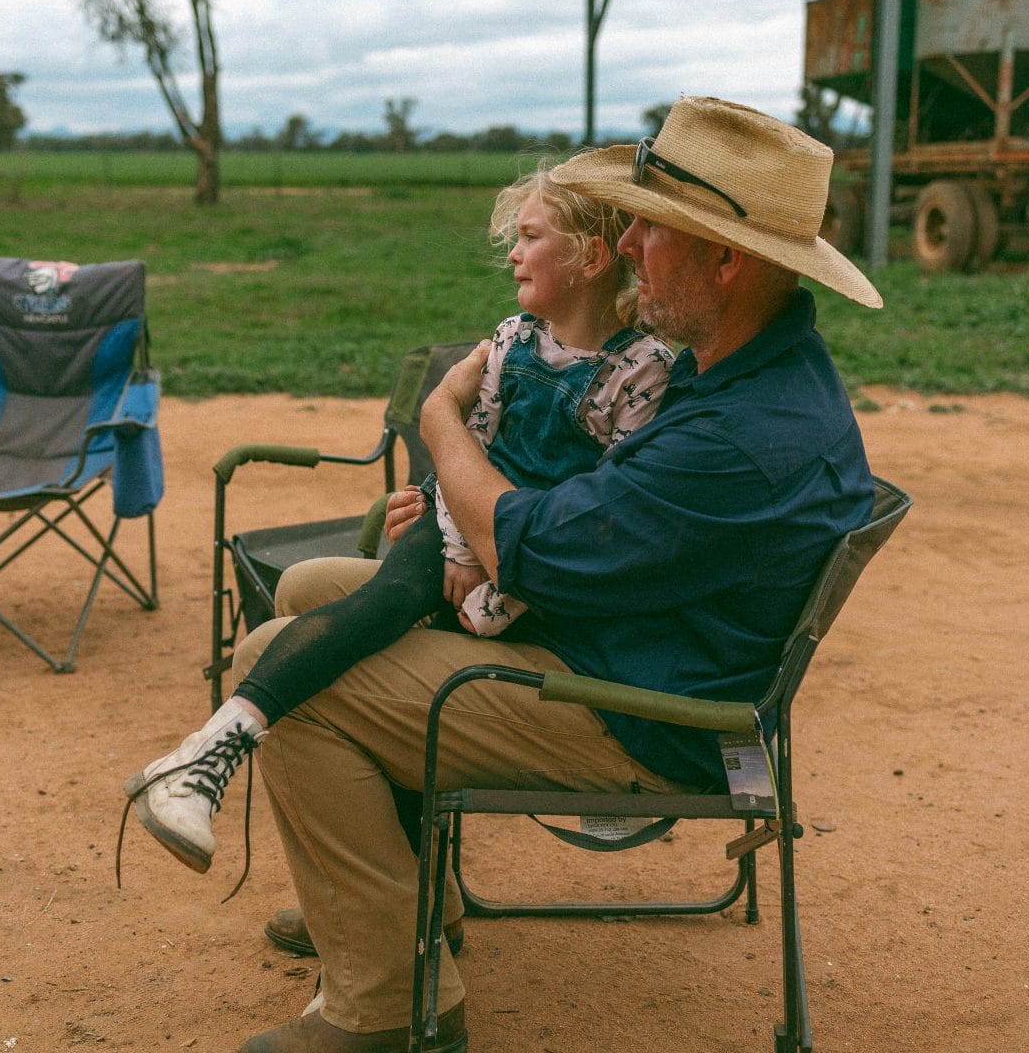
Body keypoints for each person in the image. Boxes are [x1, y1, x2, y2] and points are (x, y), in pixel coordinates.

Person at [154, 96, 884, 1053]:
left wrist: (444, 432)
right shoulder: (742, 369)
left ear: (726, 259)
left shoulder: (739, 437)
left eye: (647, 228)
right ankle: (409, 896)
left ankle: (388, 1004)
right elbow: (579, 512)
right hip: (635, 640)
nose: (625, 244)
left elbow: (525, 546)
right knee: (308, 594)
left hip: (647, 712)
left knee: (287, 671)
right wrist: (459, 511)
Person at [122, 169, 674, 877]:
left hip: (538, 568)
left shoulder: (641, 373)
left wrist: (494, 562)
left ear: (591, 259)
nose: (512, 253)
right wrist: (448, 525)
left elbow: (603, 505)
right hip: (460, 524)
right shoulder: (510, 342)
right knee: (390, 599)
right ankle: (211, 753)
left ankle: (407, 907)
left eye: (530, 238)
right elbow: (468, 442)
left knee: (389, 677)